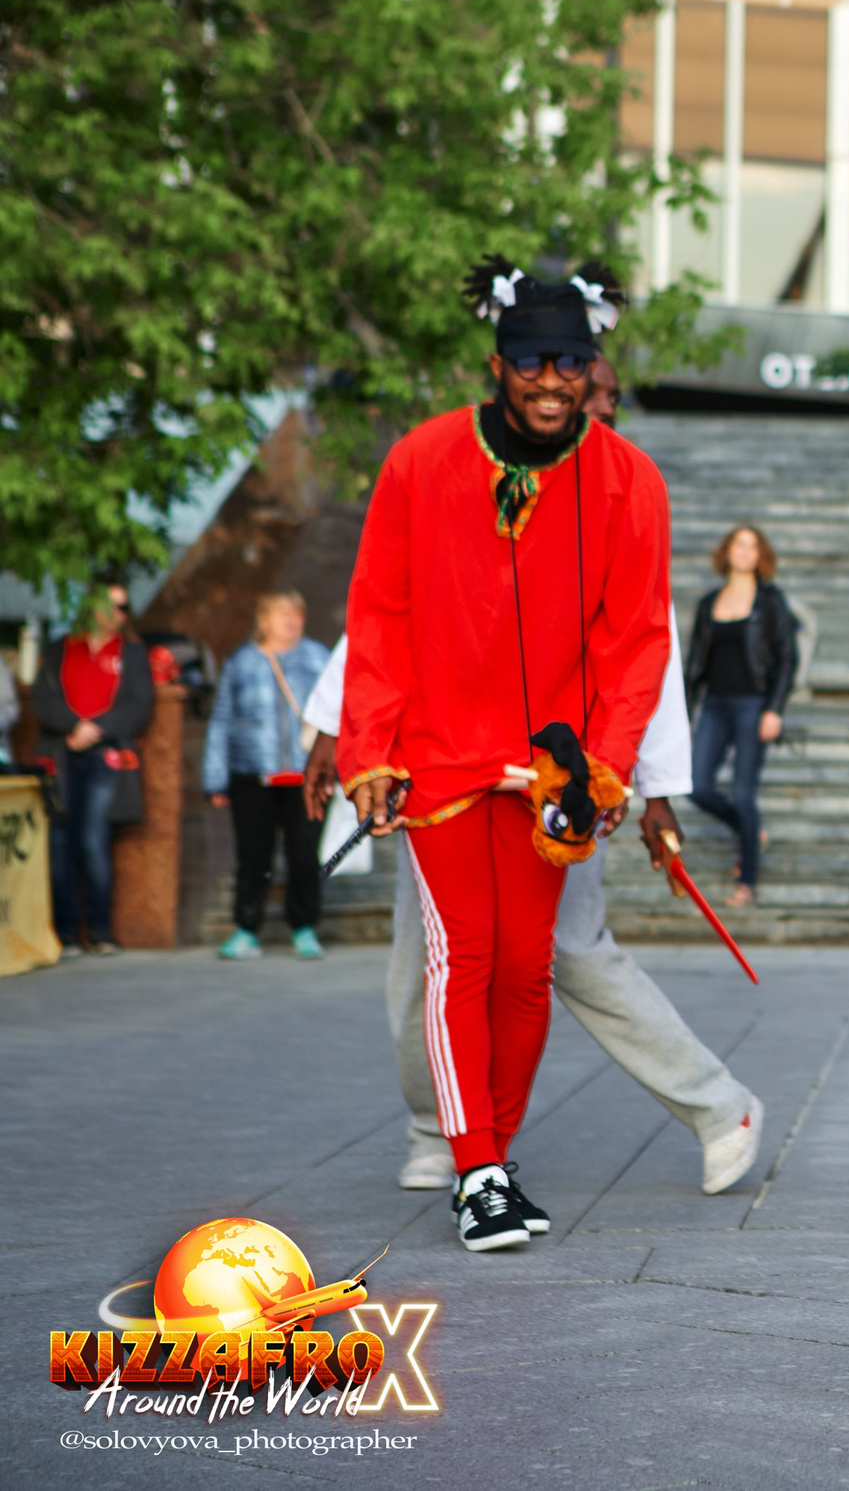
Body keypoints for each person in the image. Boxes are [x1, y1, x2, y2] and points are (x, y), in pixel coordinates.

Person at [338, 255, 671, 1253]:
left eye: (571, 361)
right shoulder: (420, 458)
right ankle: (476, 1168)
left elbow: (636, 638)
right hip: (438, 762)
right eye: (533, 361)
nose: (552, 380)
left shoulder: (627, 480)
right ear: (498, 362)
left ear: (591, 368)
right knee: (460, 958)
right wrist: (370, 752)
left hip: (551, 773)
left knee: (526, 969)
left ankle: (494, 1154)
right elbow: (380, 614)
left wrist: (605, 766)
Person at [203, 591, 333, 961]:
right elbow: (222, 721)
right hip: (252, 776)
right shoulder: (242, 662)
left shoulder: (318, 658)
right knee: (253, 855)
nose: (291, 621)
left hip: (307, 775)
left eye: (297, 615)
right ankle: (246, 929)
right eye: (282, 615)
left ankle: (304, 927)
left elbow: (340, 715)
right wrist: (215, 779)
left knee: (305, 854)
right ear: (264, 620)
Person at [32, 585, 153, 957]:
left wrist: (95, 729)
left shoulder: (131, 654)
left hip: (105, 755)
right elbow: (43, 698)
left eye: (125, 606)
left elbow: (139, 704)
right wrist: (73, 726)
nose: (121, 612)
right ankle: (66, 934)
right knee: (60, 841)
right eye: (114, 605)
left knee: (93, 840)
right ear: (94, 607)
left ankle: (100, 931)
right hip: (64, 753)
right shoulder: (60, 648)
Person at [684, 526, 796, 908]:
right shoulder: (708, 603)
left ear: (760, 555)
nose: (745, 551)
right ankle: (749, 831)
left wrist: (773, 710)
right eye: (739, 543)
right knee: (697, 786)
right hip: (714, 705)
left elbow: (786, 658)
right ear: (727, 550)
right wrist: (684, 715)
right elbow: (694, 664)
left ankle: (746, 881)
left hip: (752, 705)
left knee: (744, 793)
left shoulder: (770, 601)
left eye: (753, 546)